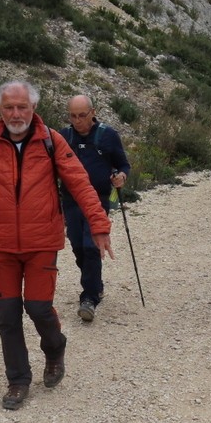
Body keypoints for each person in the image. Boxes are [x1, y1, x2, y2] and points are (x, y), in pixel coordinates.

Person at [0, 81, 113, 410]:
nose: (16, 113)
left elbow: (79, 182)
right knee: (7, 315)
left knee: (37, 307)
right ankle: (18, 380)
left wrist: (99, 225)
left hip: (41, 243)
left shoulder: (51, 140)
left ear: (34, 108)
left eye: (22, 107)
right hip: (1, 245)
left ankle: (55, 348)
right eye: (9, 107)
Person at [58, 94, 130, 323]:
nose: (77, 121)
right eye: (73, 116)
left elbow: (123, 163)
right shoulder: (63, 137)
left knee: (91, 246)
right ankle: (95, 285)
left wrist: (121, 176)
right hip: (70, 200)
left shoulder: (108, 135)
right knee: (78, 246)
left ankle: (88, 298)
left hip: (98, 199)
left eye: (82, 115)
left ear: (93, 112)